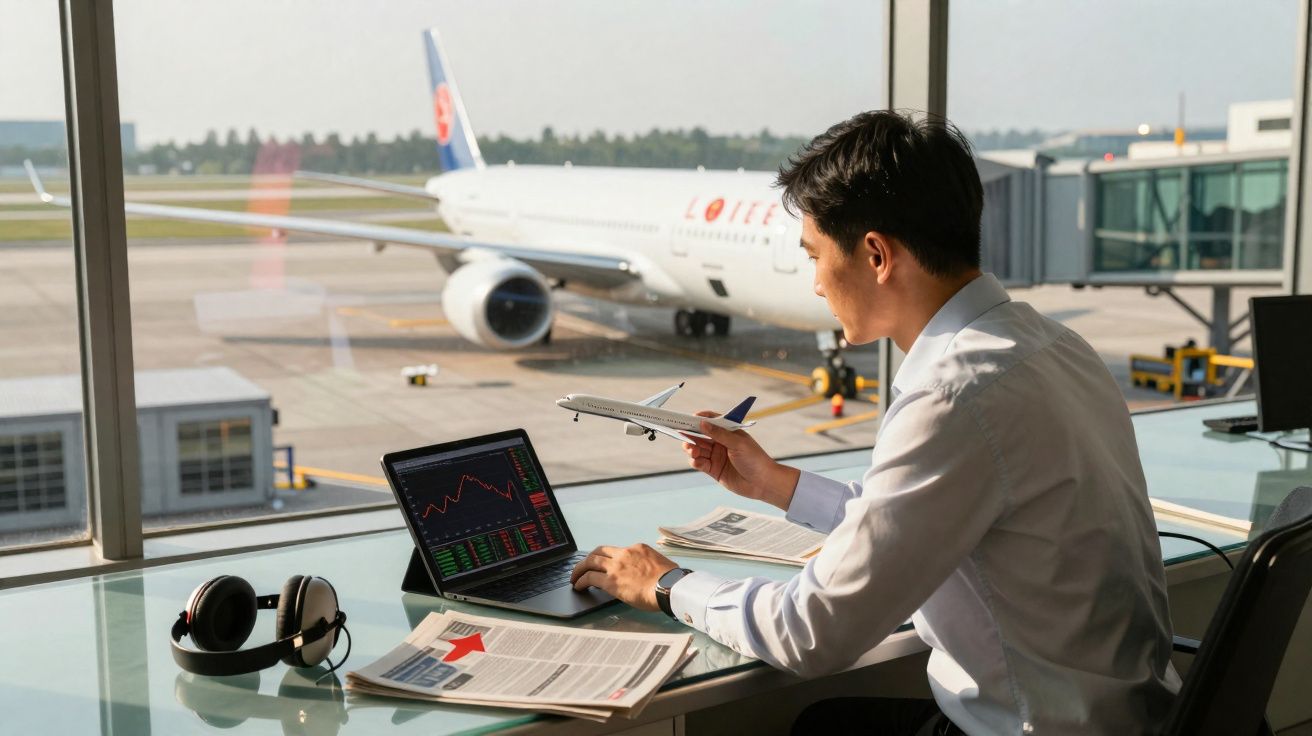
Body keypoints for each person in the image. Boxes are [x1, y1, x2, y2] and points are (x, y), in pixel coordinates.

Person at [569, 110, 1180, 735]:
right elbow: (918, 516)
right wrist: (775, 484)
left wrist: (667, 584)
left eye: (815, 257)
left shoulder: (951, 397)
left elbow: (811, 633)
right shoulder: (1057, 346)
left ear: (877, 255)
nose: (816, 285)